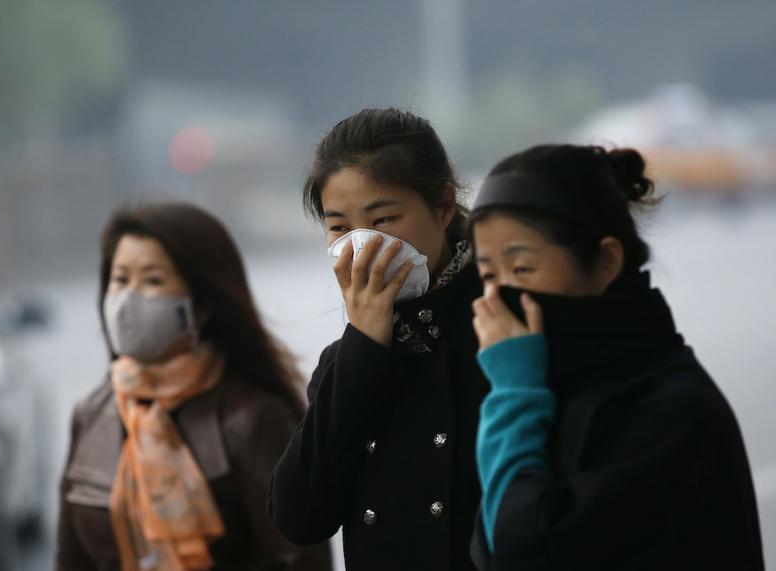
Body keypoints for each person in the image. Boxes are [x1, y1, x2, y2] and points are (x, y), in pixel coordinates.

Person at [467, 144, 764, 570]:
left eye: (523, 269)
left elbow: (529, 551)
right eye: (489, 275)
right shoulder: (552, 383)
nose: (499, 296)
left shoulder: (672, 409)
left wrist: (512, 394)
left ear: (605, 261)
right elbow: (491, 543)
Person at [267, 108, 490, 570]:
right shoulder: (345, 362)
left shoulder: (504, 328)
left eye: (383, 219)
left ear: (443, 206)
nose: (363, 245)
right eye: (340, 227)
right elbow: (299, 517)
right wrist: (364, 347)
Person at [56, 202, 333, 571]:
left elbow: (300, 559)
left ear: (201, 304)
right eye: (120, 279)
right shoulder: (92, 415)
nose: (128, 299)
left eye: (153, 281)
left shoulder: (252, 421)